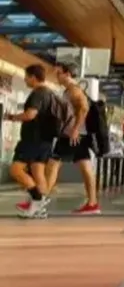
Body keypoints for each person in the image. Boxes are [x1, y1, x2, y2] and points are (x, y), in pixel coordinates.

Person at [34, 62, 101, 214]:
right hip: (77, 135)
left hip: (72, 135)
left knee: (53, 164)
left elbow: (84, 107)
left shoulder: (74, 90)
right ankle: (92, 204)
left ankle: (40, 201)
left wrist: (75, 130)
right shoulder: (70, 90)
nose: (57, 76)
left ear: (68, 74)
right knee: (85, 167)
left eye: (59, 73)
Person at [4, 64, 55, 219]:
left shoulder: (38, 93)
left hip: (32, 140)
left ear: (33, 77)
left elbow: (30, 115)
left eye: (26, 76)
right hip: (45, 141)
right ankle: (40, 209)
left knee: (15, 170)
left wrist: (12, 117)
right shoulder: (49, 93)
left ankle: (37, 199)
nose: (25, 79)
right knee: (38, 172)